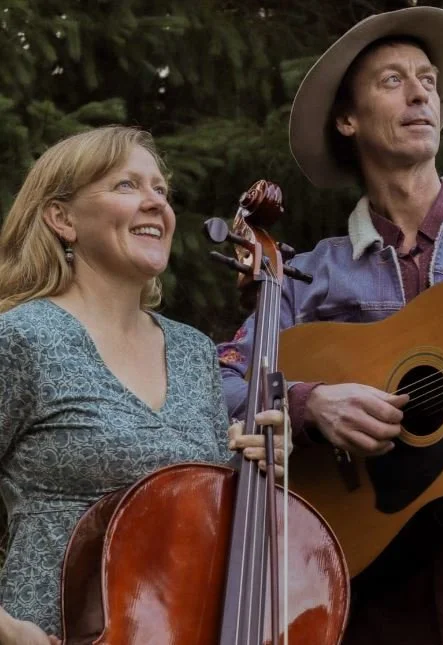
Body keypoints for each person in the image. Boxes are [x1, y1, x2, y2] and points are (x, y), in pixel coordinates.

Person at [218, 6, 443, 645]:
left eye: (428, 80)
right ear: (347, 119)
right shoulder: (308, 274)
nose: (420, 93)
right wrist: (310, 403)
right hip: (370, 599)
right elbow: (217, 384)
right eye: (393, 80)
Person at [0, 125, 289, 644]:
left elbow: (207, 526)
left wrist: (255, 468)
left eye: (161, 189)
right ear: (62, 219)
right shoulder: (22, 337)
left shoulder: (194, 351)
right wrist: (8, 631)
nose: (156, 202)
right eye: (126, 185)